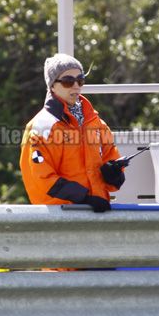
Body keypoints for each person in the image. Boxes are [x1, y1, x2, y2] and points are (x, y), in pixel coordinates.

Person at [20, 53, 125, 212]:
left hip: (97, 211)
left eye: (80, 80)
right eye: (68, 81)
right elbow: (41, 178)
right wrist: (84, 198)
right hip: (59, 216)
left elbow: (111, 156)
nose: (76, 86)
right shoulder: (42, 126)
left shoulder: (96, 123)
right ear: (52, 86)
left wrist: (114, 174)